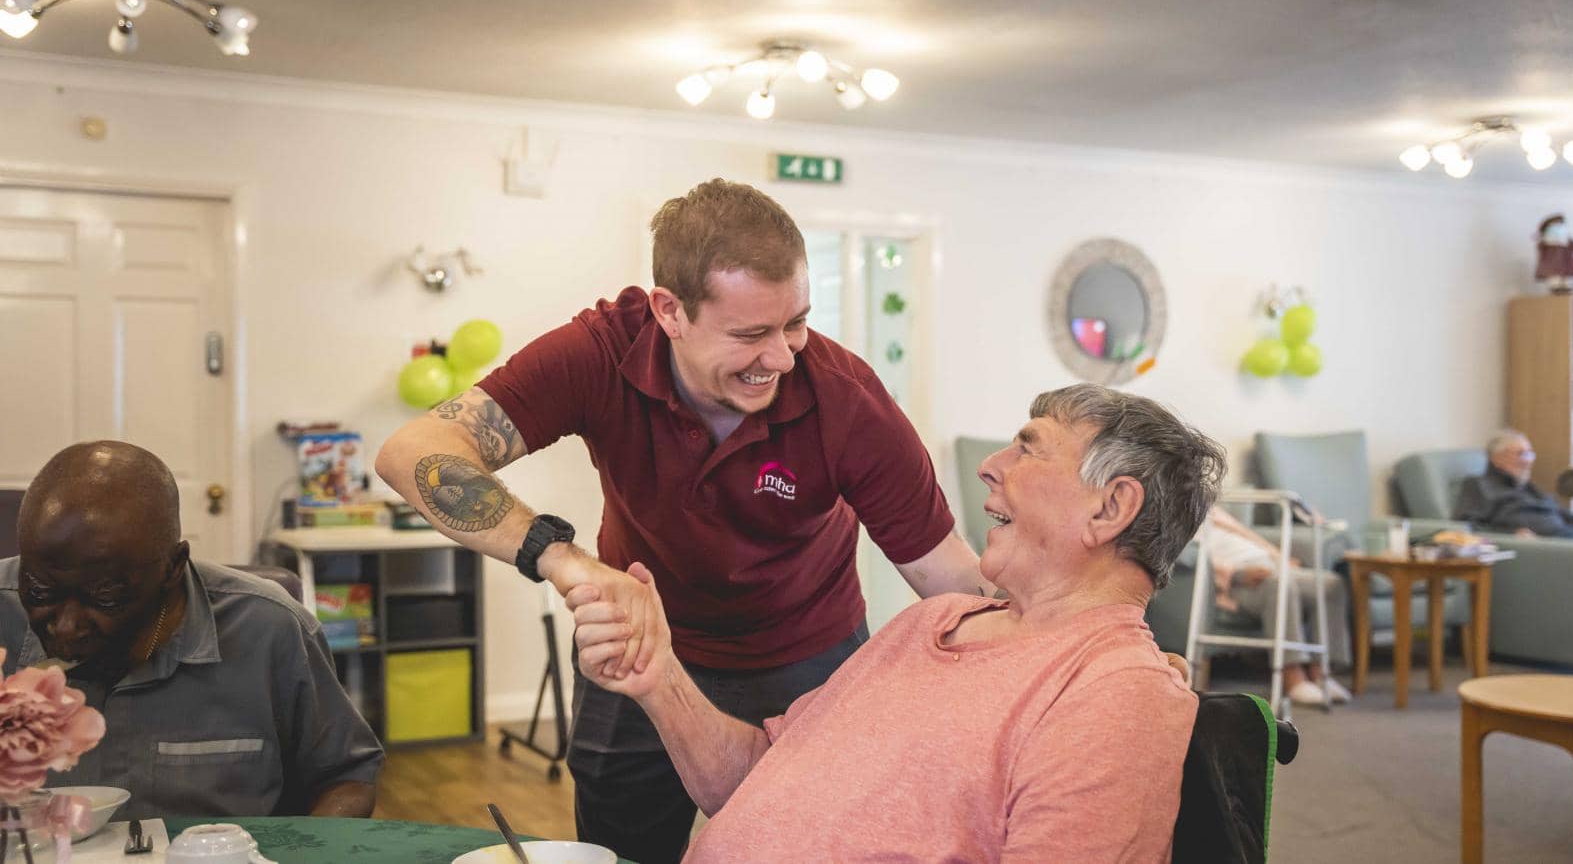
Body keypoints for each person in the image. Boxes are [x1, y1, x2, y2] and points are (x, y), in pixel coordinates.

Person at [375, 178, 993, 862]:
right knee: (622, 847)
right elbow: (414, 452)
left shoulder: (846, 400)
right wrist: (565, 561)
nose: (784, 357)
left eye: (796, 324)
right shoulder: (601, 352)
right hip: (642, 648)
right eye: (752, 334)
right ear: (670, 311)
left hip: (808, 654)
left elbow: (950, 577)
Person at [566, 384, 1218, 862]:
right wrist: (658, 675)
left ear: (1110, 508)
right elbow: (759, 776)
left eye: (1029, 448)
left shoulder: (1115, 693)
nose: (991, 465)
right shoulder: (931, 621)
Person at [0, 441, 383, 820]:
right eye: (40, 591)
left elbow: (347, 778)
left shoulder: (267, 631)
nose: (66, 627)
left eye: (106, 597)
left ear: (173, 568)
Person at [1200, 506, 1351, 706]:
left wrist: (1281, 558)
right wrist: (1237, 574)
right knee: (1280, 584)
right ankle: (1293, 677)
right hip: (1238, 580)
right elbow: (1193, 558)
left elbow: (1251, 537)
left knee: (1330, 585)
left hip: (1270, 565)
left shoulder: (1213, 511)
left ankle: (1321, 673)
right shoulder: (1174, 521)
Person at [1453, 429, 1573, 539]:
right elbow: (1466, 527)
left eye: (1530, 454)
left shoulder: (1526, 486)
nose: (1528, 461)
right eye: (1521, 454)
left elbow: (1566, 515)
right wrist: (1512, 534)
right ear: (1496, 458)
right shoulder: (1478, 485)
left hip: (1569, 536)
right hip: (1545, 547)